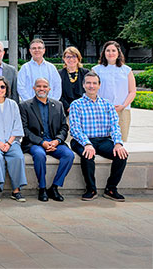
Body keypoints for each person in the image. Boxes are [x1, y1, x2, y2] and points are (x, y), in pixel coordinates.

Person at [69, 71, 128, 201]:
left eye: (94, 83)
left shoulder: (107, 104)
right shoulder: (76, 104)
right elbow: (75, 128)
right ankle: (91, 189)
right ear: (83, 85)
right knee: (87, 154)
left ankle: (111, 189)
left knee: (121, 155)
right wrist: (87, 144)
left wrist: (118, 143)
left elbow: (114, 125)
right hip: (81, 140)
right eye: (88, 83)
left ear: (99, 85)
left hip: (103, 140)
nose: (91, 86)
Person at [19, 78, 74, 202]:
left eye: (45, 86)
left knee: (69, 155)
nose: (41, 89)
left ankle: (54, 187)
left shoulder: (58, 105)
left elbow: (64, 126)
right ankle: (42, 188)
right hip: (35, 143)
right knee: (39, 154)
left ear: (49, 89)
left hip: (54, 142)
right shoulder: (25, 106)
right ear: (34, 88)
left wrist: (57, 140)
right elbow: (24, 129)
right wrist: (41, 142)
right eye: (38, 86)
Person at [93, 41, 136, 142]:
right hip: (102, 111)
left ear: (118, 53)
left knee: (121, 141)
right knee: (103, 141)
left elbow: (132, 91)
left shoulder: (127, 70)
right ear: (104, 53)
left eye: (113, 50)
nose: (110, 53)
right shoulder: (96, 70)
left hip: (122, 110)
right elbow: (92, 91)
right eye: (108, 50)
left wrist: (123, 105)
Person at [59, 46, 88, 115]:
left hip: (84, 110)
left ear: (78, 58)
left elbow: (90, 90)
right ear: (64, 59)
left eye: (74, 56)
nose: (71, 59)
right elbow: (58, 93)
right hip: (65, 112)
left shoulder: (86, 73)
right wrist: (68, 107)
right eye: (68, 57)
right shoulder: (59, 74)